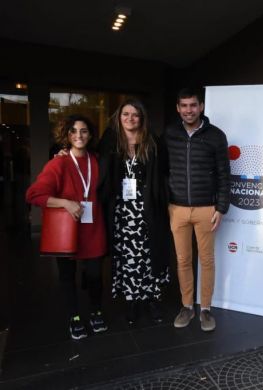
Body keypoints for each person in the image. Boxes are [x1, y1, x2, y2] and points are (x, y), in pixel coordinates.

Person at [26, 115, 107, 340]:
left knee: (94, 275)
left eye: (83, 131)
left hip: (93, 227)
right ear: (67, 135)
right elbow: (34, 194)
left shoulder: (98, 160)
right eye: (73, 131)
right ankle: (74, 317)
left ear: (90, 135)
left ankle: (96, 311)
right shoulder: (59, 162)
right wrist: (65, 202)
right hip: (68, 231)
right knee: (67, 276)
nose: (78, 135)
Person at [97, 99, 171, 324]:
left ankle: (151, 299)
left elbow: (165, 171)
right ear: (119, 117)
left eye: (135, 114)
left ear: (142, 118)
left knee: (149, 254)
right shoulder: (110, 141)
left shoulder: (153, 142)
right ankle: (131, 301)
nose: (130, 118)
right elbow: (93, 162)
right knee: (127, 256)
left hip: (148, 208)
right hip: (121, 211)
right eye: (125, 114)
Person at [164, 87, 230, 332]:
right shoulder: (170, 134)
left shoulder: (215, 135)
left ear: (201, 107)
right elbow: (162, 168)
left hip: (206, 208)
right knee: (182, 260)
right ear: (178, 108)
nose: (189, 110)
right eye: (184, 106)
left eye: (193, 105)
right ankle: (186, 306)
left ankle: (206, 309)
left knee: (206, 260)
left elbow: (224, 174)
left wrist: (221, 207)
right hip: (177, 208)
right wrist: (167, 200)